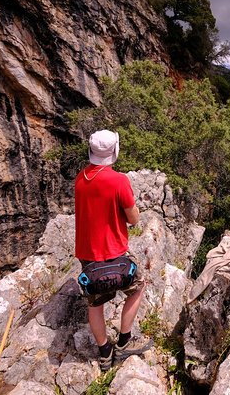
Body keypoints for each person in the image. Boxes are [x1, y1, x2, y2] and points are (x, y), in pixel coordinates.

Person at [75, 129, 151, 371]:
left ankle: (104, 351)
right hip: (115, 254)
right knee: (137, 288)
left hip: (88, 255)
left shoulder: (80, 178)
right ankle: (125, 341)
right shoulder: (119, 181)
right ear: (114, 152)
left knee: (95, 304)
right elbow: (134, 219)